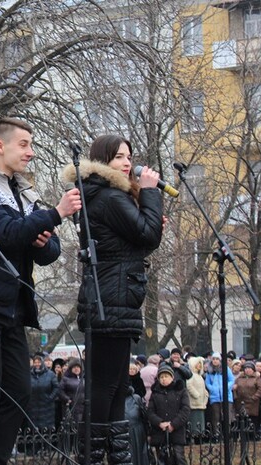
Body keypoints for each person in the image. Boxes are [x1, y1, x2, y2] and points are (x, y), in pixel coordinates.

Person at [0, 117, 81, 465]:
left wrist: (42, 235)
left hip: (14, 304)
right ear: (0, 145)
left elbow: (49, 252)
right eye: (24, 144)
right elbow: (5, 233)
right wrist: (55, 214)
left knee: (19, 391)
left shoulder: (25, 192)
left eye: (31, 145)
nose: (31, 152)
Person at [62, 134, 164, 465]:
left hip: (115, 300)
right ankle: (91, 458)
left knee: (119, 388)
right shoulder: (109, 198)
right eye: (120, 156)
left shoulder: (104, 197)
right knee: (106, 388)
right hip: (111, 302)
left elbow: (132, 247)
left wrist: (148, 215)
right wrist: (150, 194)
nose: (127, 162)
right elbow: (146, 234)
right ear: (104, 161)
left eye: (129, 156)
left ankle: (118, 458)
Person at [147, 365, 190, 465]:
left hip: (176, 431)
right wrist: (160, 423)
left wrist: (173, 424)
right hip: (159, 432)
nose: (164, 379)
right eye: (161, 377)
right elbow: (150, 411)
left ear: (172, 377)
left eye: (166, 376)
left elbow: (185, 409)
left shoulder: (181, 391)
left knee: (179, 457)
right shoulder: (155, 393)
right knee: (161, 459)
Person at [205, 352, 234, 432]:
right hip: (215, 397)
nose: (215, 361)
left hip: (226, 396)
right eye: (213, 359)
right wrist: (212, 389)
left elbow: (231, 380)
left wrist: (226, 387)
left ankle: (227, 433)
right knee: (216, 417)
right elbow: (207, 383)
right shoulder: (209, 370)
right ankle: (217, 434)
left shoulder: (225, 369)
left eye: (217, 359)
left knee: (227, 416)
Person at [233, 361, 261, 434]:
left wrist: (254, 397)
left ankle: (252, 435)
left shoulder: (256, 378)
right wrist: (236, 397)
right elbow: (234, 388)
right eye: (246, 368)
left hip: (252, 403)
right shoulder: (239, 378)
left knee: (252, 420)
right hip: (240, 402)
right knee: (242, 420)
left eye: (249, 368)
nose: (247, 370)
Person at [185, 356, 208, 441]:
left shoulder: (200, 376)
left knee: (200, 421)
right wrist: (196, 395)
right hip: (194, 403)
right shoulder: (191, 375)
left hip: (201, 403)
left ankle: (200, 436)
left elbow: (202, 387)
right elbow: (189, 386)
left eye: (200, 363)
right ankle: (192, 438)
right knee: (194, 421)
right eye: (198, 363)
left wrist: (205, 394)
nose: (199, 365)